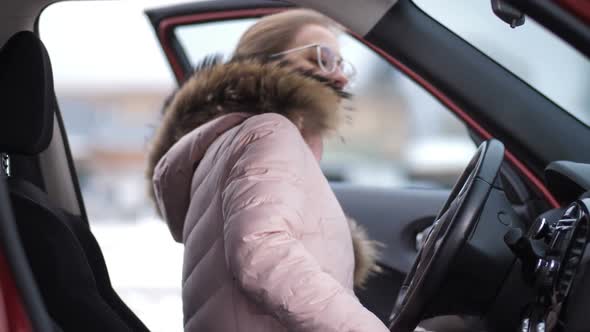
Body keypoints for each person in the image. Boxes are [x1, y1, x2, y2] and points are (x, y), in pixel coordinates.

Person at [146, 8, 389, 332]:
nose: (340, 76)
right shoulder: (270, 133)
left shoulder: (232, 140)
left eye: (341, 64)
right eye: (321, 58)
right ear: (266, 62)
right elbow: (260, 253)